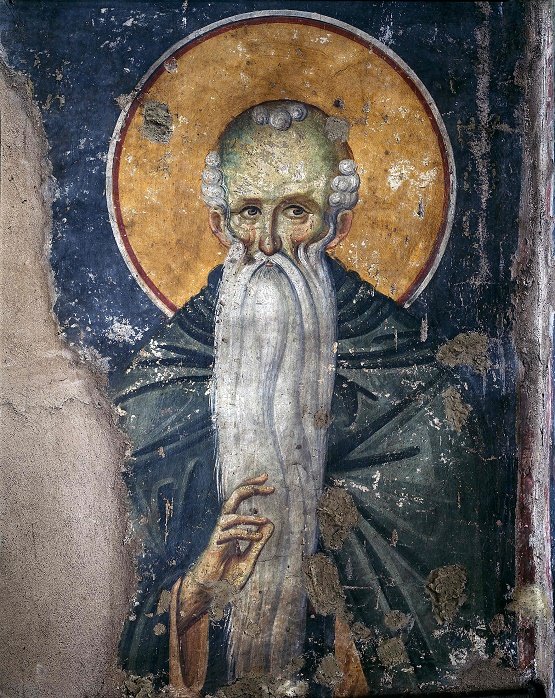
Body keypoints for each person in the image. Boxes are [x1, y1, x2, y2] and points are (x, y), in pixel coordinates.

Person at [112, 101, 504, 696]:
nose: (269, 242)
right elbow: (114, 602)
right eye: (249, 212)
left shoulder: (417, 391)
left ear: (337, 226)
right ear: (218, 223)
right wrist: (195, 591)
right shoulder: (153, 392)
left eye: (296, 211)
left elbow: (437, 620)